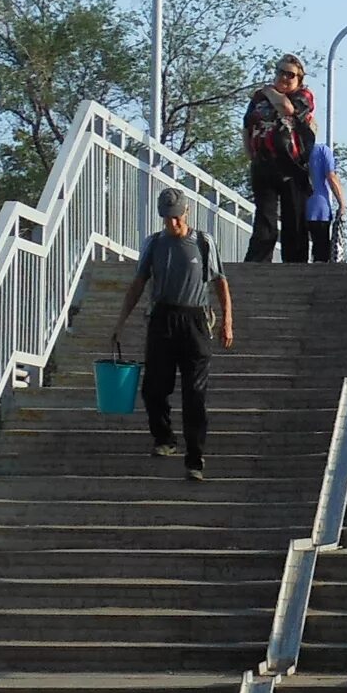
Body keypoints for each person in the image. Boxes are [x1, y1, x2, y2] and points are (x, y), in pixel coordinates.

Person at [112, 186, 234, 480]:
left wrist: (228, 321)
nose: (173, 223)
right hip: (162, 318)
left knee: (194, 393)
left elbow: (220, 283)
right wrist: (120, 322)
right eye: (167, 219)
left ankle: (195, 458)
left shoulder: (203, 242)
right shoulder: (154, 244)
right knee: (153, 388)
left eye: (177, 217)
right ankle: (164, 438)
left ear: (186, 212)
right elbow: (139, 283)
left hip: (194, 320)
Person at [241, 53, 318, 263]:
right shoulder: (259, 99)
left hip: (292, 165)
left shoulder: (303, 96)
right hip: (264, 163)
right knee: (265, 218)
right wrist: (250, 152)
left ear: (298, 80)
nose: (284, 78)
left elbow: (287, 108)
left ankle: (295, 265)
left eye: (290, 75)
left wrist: (269, 90)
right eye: (280, 72)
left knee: (294, 219)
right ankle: (258, 263)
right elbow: (247, 124)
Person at [302, 132, 345, 262]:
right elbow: (331, 177)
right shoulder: (322, 150)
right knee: (321, 251)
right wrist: (342, 203)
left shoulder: (292, 150)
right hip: (319, 208)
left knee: (298, 252)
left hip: (296, 207)